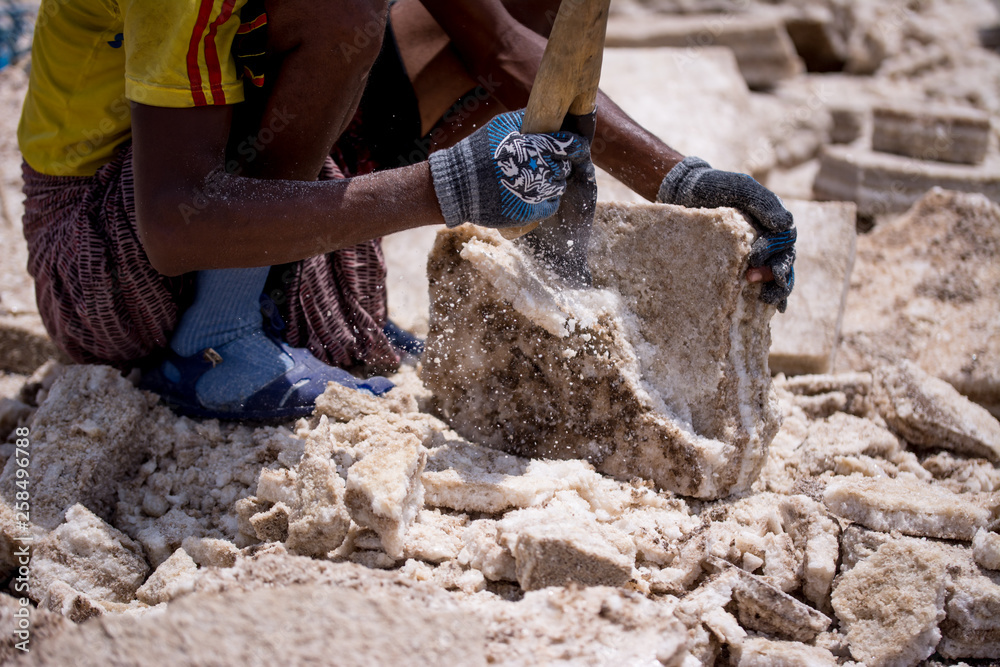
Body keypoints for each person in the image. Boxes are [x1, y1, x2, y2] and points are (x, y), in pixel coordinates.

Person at [17, 0, 795, 422]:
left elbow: (501, 46)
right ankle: (220, 332)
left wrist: (681, 181)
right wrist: (441, 190)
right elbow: (174, 216)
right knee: (345, 12)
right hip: (109, 257)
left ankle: (549, 301)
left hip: (226, 179)